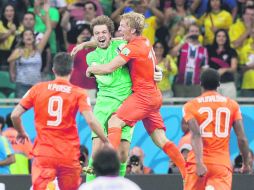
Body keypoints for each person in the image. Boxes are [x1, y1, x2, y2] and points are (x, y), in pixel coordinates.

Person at [86, 12, 186, 179]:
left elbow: (109, 68)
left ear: (132, 30)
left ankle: (106, 165)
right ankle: (187, 171)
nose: (119, 29)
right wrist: (84, 45)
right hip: (154, 96)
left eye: (123, 26)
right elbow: (116, 42)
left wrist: (90, 69)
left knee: (114, 121)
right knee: (160, 139)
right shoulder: (145, 41)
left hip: (143, 97)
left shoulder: (131, 48)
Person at [10, 52, 108, 190]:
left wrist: (21, 132)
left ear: (53, 70)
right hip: (68, 154)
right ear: (71, 70)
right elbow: (91, 120)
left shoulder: (38, 89)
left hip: (44, 154)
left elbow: (14, 115)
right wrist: (105, 141)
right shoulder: (78, 92)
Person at [72, 15, 134, 182]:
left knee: (122, 155)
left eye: (104, 32)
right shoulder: (90, 57)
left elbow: (141, 51)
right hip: (103, 105)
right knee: (97, 150)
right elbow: (106, 77)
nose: (100, 36)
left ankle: (117, 185)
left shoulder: (121, 45)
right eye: (97, 33)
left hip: (125, 105)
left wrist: (156, 71)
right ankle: (92, 185)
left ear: (110, 34)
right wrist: (94, 68)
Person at [182, 68, 251, 190]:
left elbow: (196, 135)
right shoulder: (232, 105)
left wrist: (199, 163)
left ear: (200, 84)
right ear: (219, 84)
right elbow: (242, 139)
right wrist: (246, 163)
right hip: (221, 164)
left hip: (197, 163)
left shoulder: (190, 106)